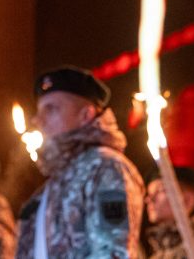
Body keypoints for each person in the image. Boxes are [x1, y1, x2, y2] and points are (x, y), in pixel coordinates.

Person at [16, 65, 144, 258]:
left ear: (86, 115)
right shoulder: (57, 179)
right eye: (39, 110)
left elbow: (113, 251)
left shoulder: (107, 169)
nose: (38, 120)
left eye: (51, 109)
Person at [143, 166, 194, 259]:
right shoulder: (159, 252)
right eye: (148, 194)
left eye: (159, 191)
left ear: (187, 199)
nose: (148, 199)